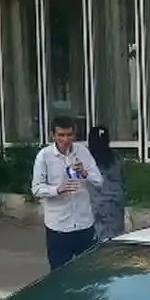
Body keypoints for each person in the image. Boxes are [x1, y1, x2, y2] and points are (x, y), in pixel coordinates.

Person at [31, 114, 102, 270]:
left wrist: (84, 172)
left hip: (84, 224)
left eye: (69, 135)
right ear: (53, 135)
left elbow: (99, 180)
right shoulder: (44, 156)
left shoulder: (82, 151)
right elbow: (36, 189)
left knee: (89, 271)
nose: (65, 139)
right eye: (61, 135)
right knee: (59, 273)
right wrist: (58, 189)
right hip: (59, 226)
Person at [86, 124, 126, 243]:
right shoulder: (116, 157)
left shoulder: (87, 158)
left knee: (96, 243)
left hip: (95, 207)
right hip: (115, 206)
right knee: (115, 240)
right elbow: (122, 178)